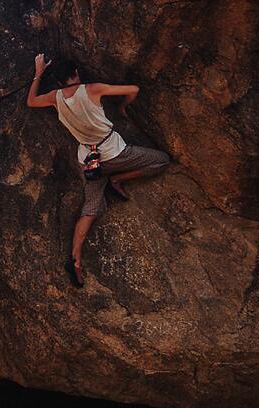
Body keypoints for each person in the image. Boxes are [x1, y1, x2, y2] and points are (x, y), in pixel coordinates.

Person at [27, 53, 170, 288]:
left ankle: (75, 259)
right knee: (160, 161)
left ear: (59, 81)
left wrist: (38, 73)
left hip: (88, 160)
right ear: (75, 73)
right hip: (114, 153)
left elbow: (31, 102)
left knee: (90, 209)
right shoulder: (92, 89)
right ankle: (118, 179)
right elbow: (133, 89)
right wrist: (124, 107)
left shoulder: (55, 98)